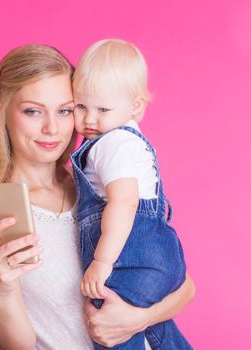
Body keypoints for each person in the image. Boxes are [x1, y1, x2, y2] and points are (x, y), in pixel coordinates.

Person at [0, 44, 195, 350]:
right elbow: (19, 346)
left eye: (65, 110)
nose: (52, 128)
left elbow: (185, 288)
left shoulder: (95, 188)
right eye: (33, 111)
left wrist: (137, 319)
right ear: (2, 112)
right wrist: (4, 289)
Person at [72, 39, 192, 349]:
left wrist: (102, 261)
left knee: (110, 320)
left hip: (130, 258)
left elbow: (124, 201)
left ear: (135, 106)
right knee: (153, 328)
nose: (89, 119)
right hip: (161, 258)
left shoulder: (112, 144)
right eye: (80, 106)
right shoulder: (129, 141)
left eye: (102, 109)